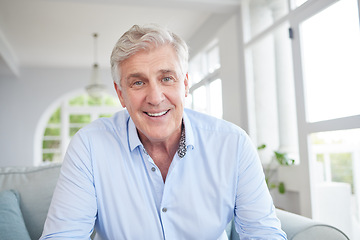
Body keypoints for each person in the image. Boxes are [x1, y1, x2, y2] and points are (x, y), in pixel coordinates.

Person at [41, 24, 287, 240]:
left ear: (185, 85)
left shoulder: (233, 145)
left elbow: (262, 233)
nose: (156, 98)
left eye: (167, 78)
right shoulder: (90, 146)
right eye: (138, 82)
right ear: (120, 94)